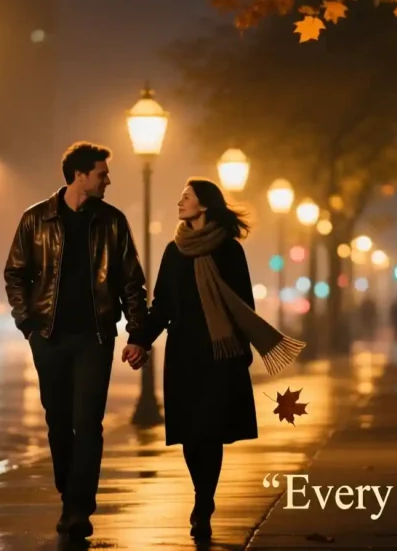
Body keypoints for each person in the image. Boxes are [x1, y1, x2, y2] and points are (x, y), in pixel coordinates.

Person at [139, 178, 305, 540]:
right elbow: (163, 304)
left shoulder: (229, 251)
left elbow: (244, 303)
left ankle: (203, 501)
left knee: (209, 431)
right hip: (183, 352)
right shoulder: (174, 250)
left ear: (204, 205)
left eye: (186, 197)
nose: (180, 202)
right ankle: (201, 493)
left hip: (217, 353)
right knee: (188, 434)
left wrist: (239, 351)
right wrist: (140, 340)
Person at [3, 141, 150, 540]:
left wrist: (138, 333)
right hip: (48, 337)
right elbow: (15, 273)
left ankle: (78, 509)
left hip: (95, 337)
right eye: (102, 173)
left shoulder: (112, 221)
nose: (108, 180)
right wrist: (28, 325)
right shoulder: (36, 219)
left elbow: (131, 282)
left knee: (88, 423)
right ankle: (71, 491)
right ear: (79, 175)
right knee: (58, 421)